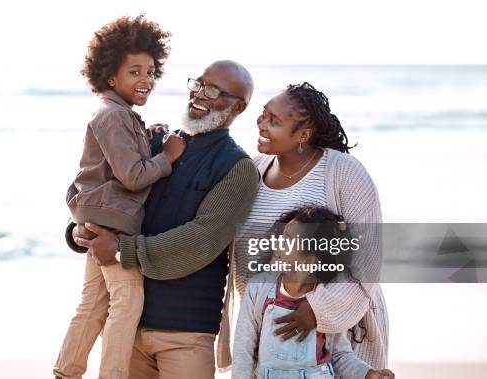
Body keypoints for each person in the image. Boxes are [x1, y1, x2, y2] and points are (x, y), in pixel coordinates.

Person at [71, 60, 260, 378]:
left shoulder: (238, 167)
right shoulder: (156, 143)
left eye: (212, 90)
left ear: (238, 107)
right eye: (197, 84)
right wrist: (80, 230)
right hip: (126, 324)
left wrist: (120, 249)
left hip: (185, 332)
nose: (199, 94)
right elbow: (102, 189)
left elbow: (201, 241)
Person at [53, 15, 186, 379]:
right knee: (128, 302)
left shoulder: (122, 114)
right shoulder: (112, 115)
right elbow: (132, 175)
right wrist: (168, 156)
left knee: (93, 304)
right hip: (113, 224)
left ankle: (66, 372)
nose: (146, 80)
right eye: (135, 72)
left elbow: (125, 157)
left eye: (150, 71)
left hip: (100, 219)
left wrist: (151, 135)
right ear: (111, 76)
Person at [231, 82, 389, 371]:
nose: (261, 124)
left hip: (338, 333)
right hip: (270, 332)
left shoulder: (344, 172)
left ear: (303, 134)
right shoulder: (254, 169)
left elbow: (367, 258)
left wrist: (316, 309)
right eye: (263, 114)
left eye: (274, 121)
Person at [233, 206, 395, 379]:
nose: (279, 242)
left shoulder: (324, 303)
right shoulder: (259, 288)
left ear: (311, 260)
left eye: (287, 239)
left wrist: (369, 374)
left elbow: (340, 357)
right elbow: (243, 350)